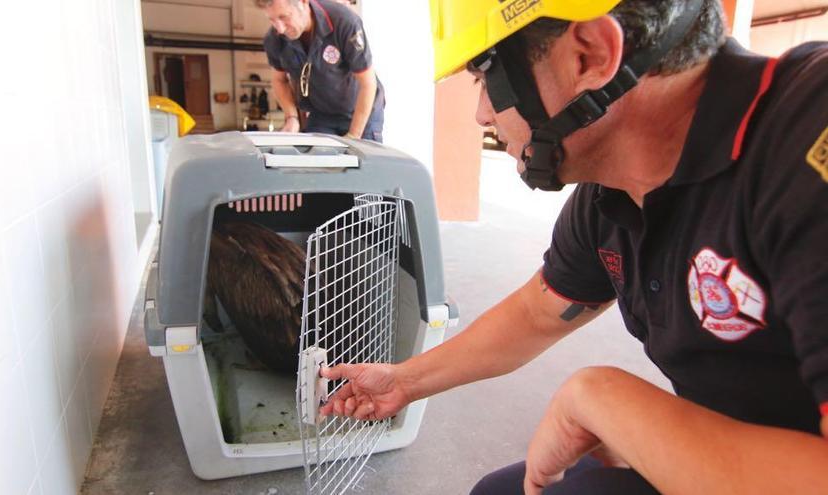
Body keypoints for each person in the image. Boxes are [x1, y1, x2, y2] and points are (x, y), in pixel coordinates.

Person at [318, 0, 828, 493]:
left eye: (486, 77)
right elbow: (540, 311)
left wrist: (600, 399)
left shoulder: (805, 147)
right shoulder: (611, 196)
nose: (481, 113)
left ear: (590, 55)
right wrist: (405, 381)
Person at [255, 0, 385, 142]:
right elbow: (279, 80)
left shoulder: (344, 22)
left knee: (361, 159)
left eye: (284, 17)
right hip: (322, 113)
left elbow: (368, 84)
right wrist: (291, 117)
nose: (280, 28)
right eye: (272, 20)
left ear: (304, 2)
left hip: (361, 111)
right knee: (315, 159)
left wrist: (353, 137)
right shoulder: (275, 39)